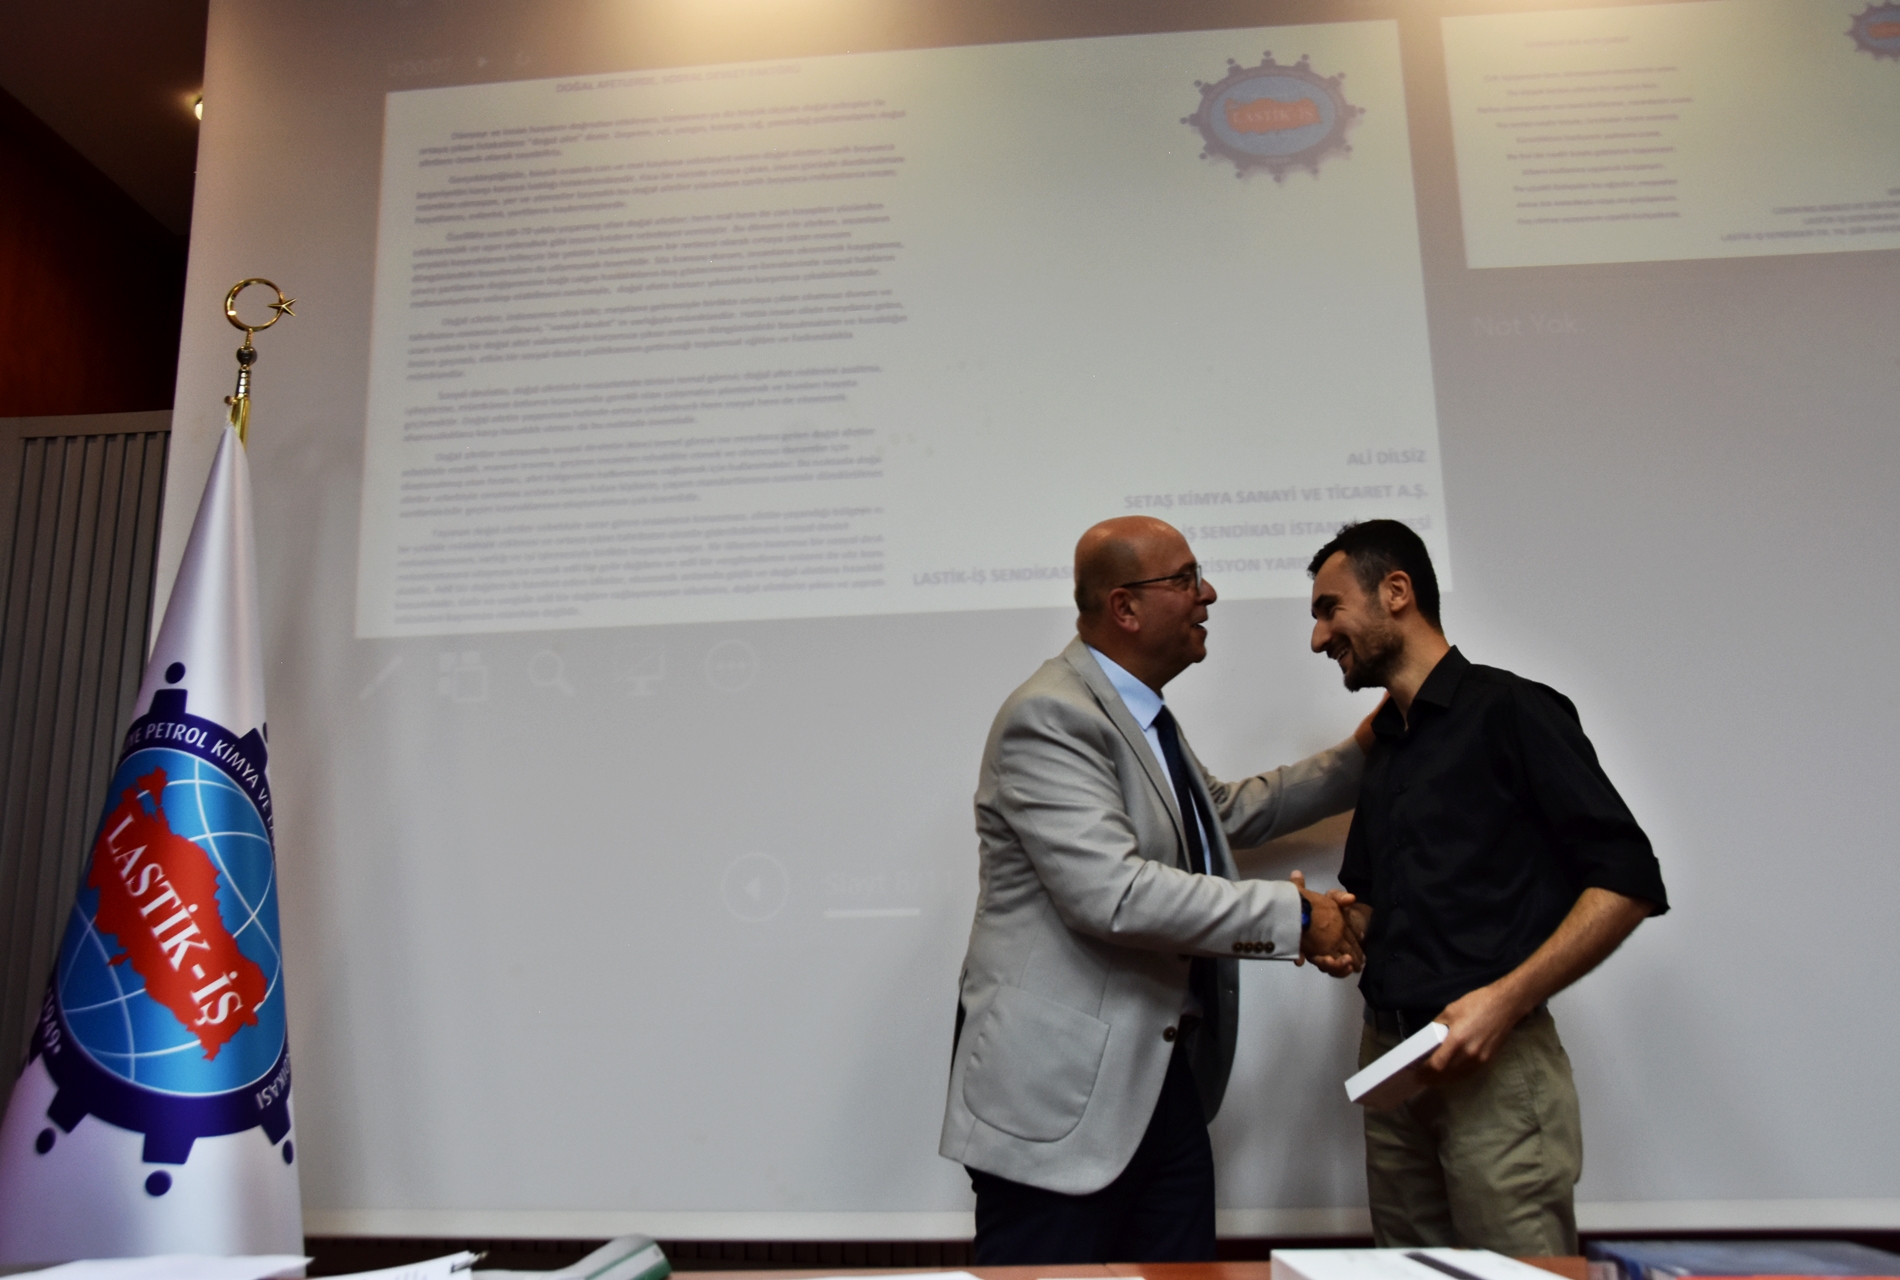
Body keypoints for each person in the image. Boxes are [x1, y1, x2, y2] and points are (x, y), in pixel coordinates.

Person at [940, 515, 1372, 1264]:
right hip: (1058, 1100)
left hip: (1157, 1084)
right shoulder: (1051, 715)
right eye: (1185, 579)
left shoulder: (1138, 715)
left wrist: (1361, 755)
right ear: (1125, 607)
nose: (1208, 594)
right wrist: (1299, 917)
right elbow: (1114, 895)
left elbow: (1221, 814)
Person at [1306, 519, 1669, 1255]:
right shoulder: (1387, 745)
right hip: (1390, 1066)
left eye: (1329, 609)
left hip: (1496, 1067)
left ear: (1397, 592)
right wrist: (1332, 926)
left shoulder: (1512, 710)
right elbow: (1376, 906)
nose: (1319, 639)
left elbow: (1628, 879)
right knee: (1406, 1275)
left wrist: (1504, 1001)